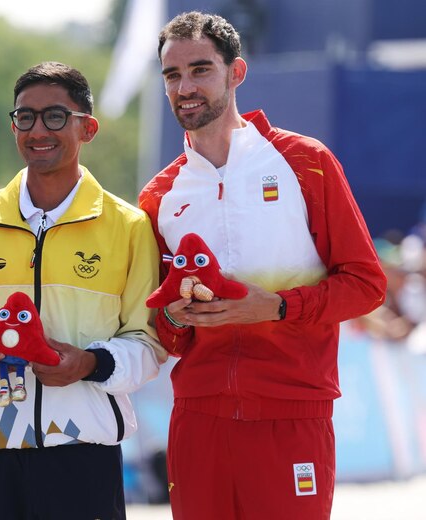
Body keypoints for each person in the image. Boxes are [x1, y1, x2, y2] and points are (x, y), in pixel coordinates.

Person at [138, 12, 387, 520]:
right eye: (171, 74)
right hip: (198, 417)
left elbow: (366, 284)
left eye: (201, 69)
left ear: (237, 73)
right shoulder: (160, 195)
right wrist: (176, 318)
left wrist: (274, 307)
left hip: (291, 413)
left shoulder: (305, 162)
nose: (184, 87)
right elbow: (161, 328)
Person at [0, 61, 166, 520]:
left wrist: (90, 364)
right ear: (14, 126)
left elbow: (149, 343)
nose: (39, 129)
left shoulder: (129, 226)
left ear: (89, 128)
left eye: (56, 116)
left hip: (84, 452)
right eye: (26, 117)